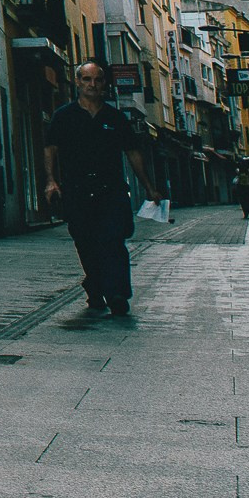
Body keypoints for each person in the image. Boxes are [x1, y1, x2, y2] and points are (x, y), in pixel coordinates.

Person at [43, 61, 164, 315]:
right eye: (87, 79)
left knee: (113, 240)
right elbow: (51, 148)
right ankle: (95, 285)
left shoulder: (115, 117)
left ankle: (117, 294)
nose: (92, 85)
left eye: (97, 80)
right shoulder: (64, 116)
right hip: (77, 190)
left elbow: (133, 152)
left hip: (111, 190)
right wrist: (51, 180)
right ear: (78, 82)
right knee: (85, 242)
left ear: (104, 84)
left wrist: (149, 187)